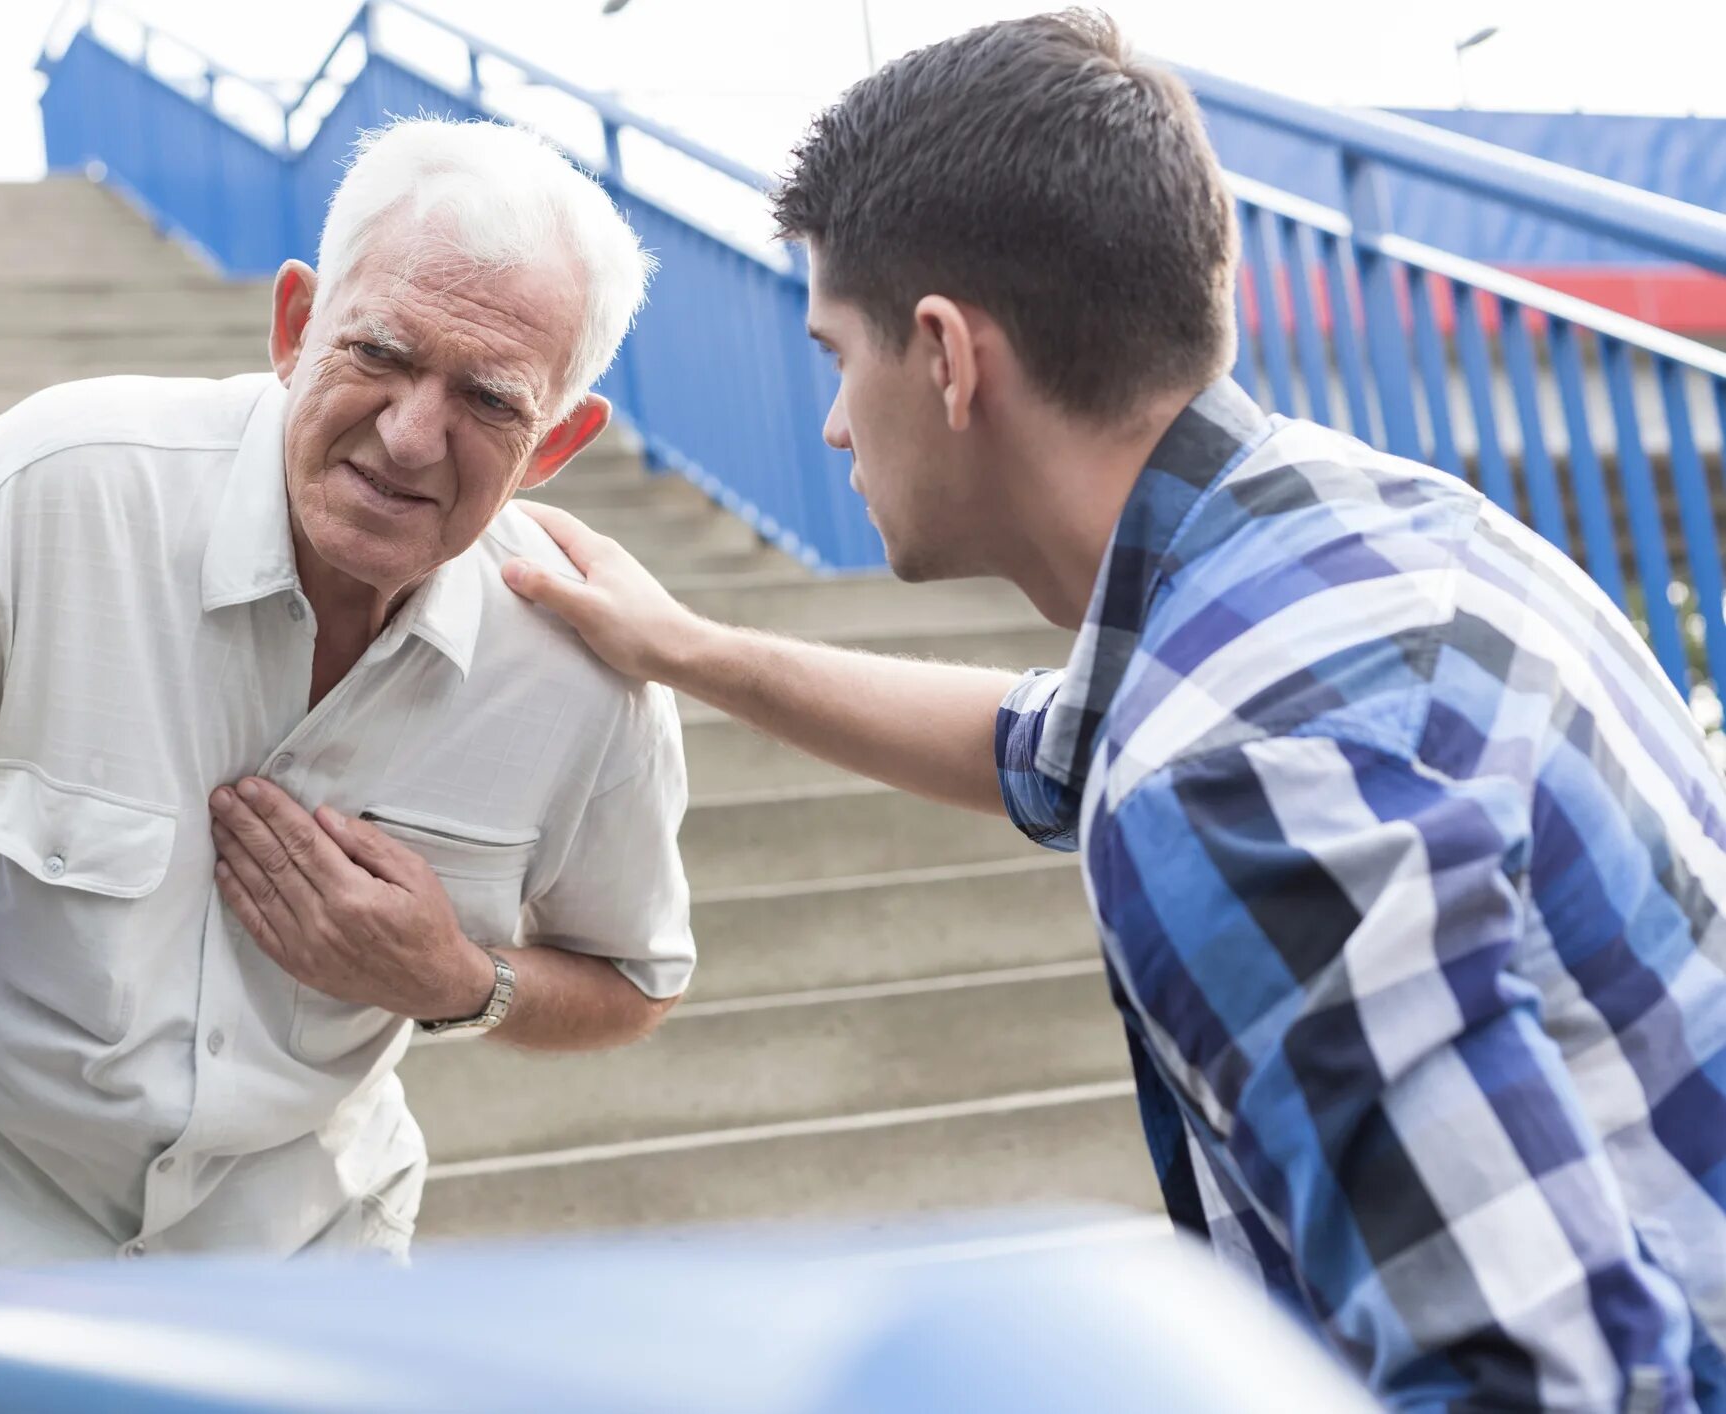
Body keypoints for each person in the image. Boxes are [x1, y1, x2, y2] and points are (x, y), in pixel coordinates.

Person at [501, 12, 1726, 1410]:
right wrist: (687, 648)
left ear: (949, 357)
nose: (834, 425)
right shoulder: (1353, 537)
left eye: (838, 355)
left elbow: (1535, 1380)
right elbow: (1036, 741)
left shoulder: (1231, 775)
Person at [0, 117, 694, 1266]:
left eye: (490, 402)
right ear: (296, 326)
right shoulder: (58, 487)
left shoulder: (584, 672)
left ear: (555, 444)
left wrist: (460, 981)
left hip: (306, 1252)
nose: (411, 438)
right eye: (380, 354)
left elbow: (635, 979)